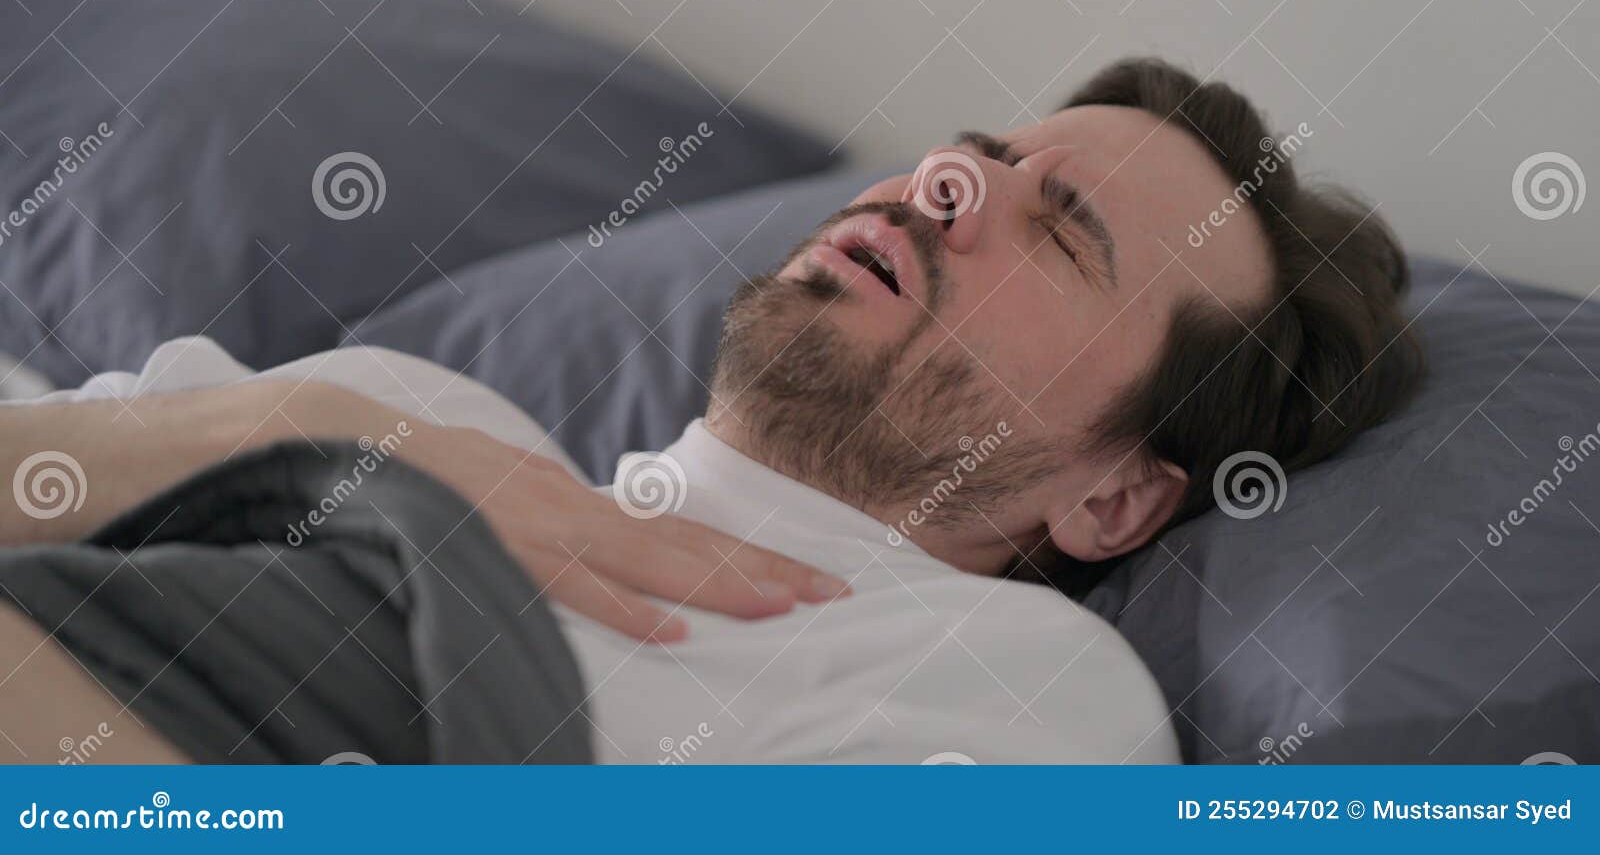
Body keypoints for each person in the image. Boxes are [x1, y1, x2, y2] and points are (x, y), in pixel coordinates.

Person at [0, 58, 1423, 764]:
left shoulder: (1025, 687)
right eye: (979, 155)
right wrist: (277, 433)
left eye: (1061, 231)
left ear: (1112, 497)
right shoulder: (396, 399)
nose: (948, 186)